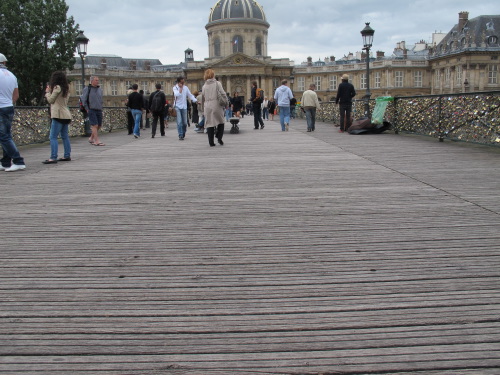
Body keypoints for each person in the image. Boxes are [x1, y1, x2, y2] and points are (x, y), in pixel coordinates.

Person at [0, 53, 26, 172]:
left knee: (4, 136)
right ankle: (5, 162)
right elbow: (16, 95)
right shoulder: (11, 75)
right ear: (4, 62)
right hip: (9, 106)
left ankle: (18, 160)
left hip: (1, 107)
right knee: (6, 135)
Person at [43, 71, 72, 164]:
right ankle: (67, 155)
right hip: (66, 114)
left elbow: (51, 100)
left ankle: (53, 157)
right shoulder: (66, 88)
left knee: (53, 137)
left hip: (58, 115)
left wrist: (47, 93)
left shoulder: (57, 87)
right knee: (65, 136)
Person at [202, 69, 227, 147]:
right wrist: (226, 102)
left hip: (207, 106)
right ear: (213, 75)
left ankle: (211, 142)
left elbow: (203, 97)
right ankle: (219, 137)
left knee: (210, 124)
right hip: (216, 105)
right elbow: (223, 94)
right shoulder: (217, 83)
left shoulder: (204, 86)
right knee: (221, 121)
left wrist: (203, 107)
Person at [81, 76, 105, 146]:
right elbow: (84, 99)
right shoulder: (87, 89)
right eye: (96, 80)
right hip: (91, 109)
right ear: (92, 81)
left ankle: (91, 138)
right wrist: (87, 108)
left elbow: (101, 100)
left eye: (98, 80)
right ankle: (96, 140)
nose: (97, 81)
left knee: (99, 125)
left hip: (99, 109)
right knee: (95, 125)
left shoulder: (100, 90)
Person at [173, 76, 197, 140]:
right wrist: (180, 89)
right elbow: (177, 94)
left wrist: (195, 100)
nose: (183, 83)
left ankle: (183, 132)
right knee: (179, 121)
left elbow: (190, 95)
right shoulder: (175, 88)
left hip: (184, 106)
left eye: (183, 82)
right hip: (177, 106)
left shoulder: (186, 88)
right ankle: (180, 134)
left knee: (185, 123)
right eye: (182, 82)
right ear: (179, 82)